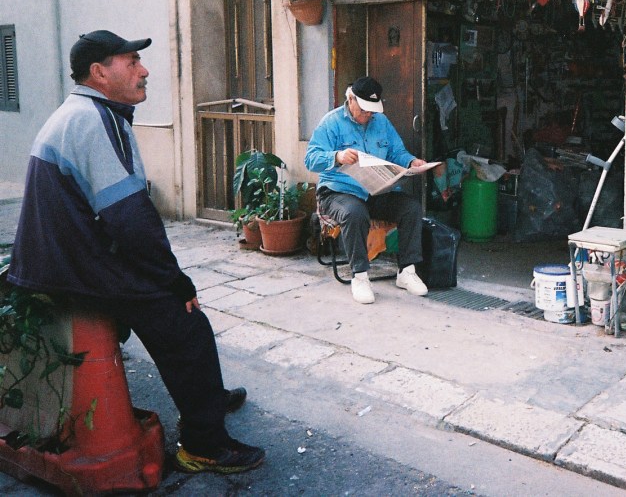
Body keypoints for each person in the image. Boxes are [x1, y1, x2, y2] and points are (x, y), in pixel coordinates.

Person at [8, 30, 264, 474]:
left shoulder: (85, 112)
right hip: (74, 266)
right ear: (99, 72)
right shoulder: (93, 120)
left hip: (67, 258)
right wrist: (174, 279)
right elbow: (130, 218)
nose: (144, 70)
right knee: (186, 323)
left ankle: (204, 397)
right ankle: (202, 445)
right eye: (131, 62)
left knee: (177, 317)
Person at [305, 76, 430, 304]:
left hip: (376, 190)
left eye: (372, 111)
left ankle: (407, 271)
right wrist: (337, 156)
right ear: (351, 99)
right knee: (354, 213)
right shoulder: (331, 123)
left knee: (411, 208)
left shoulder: (381, 122)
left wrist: (411, 162)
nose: (368, 115)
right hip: (338, 191)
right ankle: (360, 276)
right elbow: (310, 159)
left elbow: (397, 152)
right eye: (364, 110)